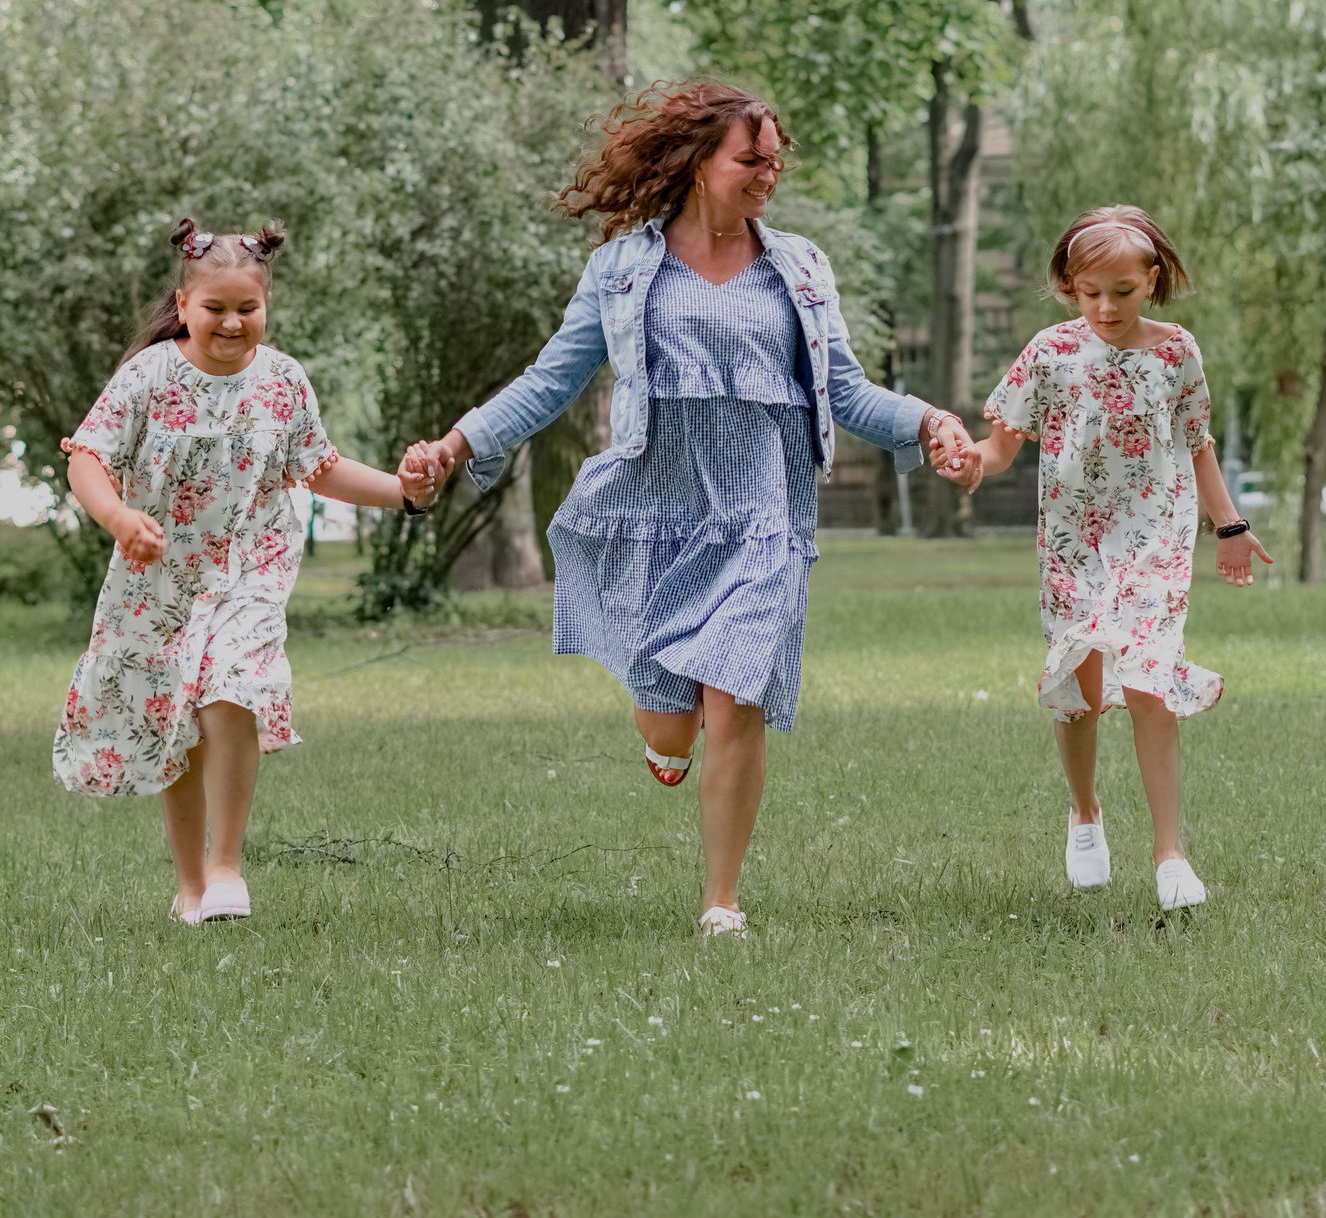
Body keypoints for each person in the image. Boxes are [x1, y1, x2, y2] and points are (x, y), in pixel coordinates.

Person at [410, 80, 979, 936]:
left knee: (735, 697)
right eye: (751, 159)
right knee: (673, 723)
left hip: (764, 510)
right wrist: (457, 443)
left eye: (775, 160)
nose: (768, 174)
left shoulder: (801, 267)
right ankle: (662, 742)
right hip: (658, 505)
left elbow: (849, 391)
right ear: (697, 162)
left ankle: (722, 902)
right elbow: (551, 379)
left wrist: (930, 420)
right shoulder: (623, 268)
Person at [54, 219, 441, 925]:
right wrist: (117, 518)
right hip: (161, 578)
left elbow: (318, 466)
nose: (233, 322)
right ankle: (191, 883)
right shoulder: (148, 376)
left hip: (250, 570)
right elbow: (86, 456)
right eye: (215, 308)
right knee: (179, 723)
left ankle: (227, 864)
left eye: (248, 308)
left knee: (234, 687)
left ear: (266, 305)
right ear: (182, 303)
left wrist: (404, 492)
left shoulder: (283, 380)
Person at [957, 205, 1269, 911]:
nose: (1106, 307)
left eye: (1123, 292)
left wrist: (1230, 524)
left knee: (1152, 682)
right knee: (1084, 692)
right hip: (1074, 541)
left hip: (1155, 536)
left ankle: (1170, 855)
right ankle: (1085, 811)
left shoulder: (1176, 352)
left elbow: (1197, 442)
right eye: (1090, 291)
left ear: (1151, 280)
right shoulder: (1048, 353)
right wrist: (973, 461)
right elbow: (1003, 442)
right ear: (1070, 285)